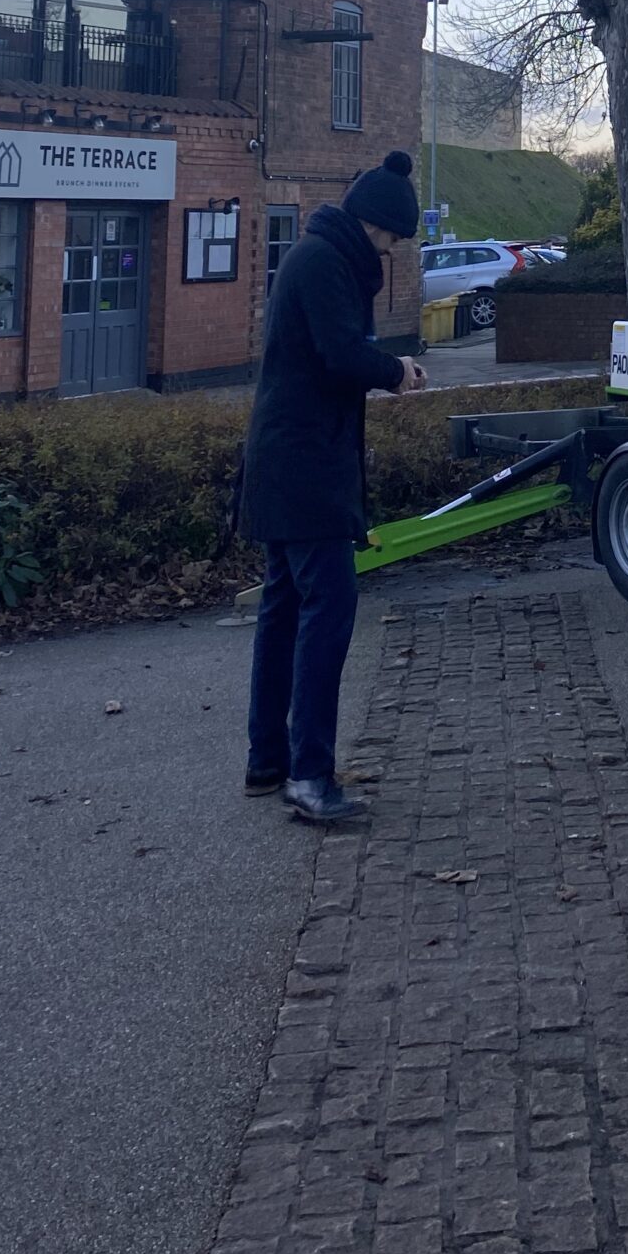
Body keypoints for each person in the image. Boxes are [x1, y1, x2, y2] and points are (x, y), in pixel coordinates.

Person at [238, 153, 426, 825]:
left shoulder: (315, 255)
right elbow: (339, 354)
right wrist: (396, 369)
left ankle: (268, 760)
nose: (390, 249)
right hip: (305, 465)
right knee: (328, 608)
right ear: (370, 223)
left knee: (284, 608)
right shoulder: (324, 263)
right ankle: (311, 776)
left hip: (287, 459)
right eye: (388, 238)